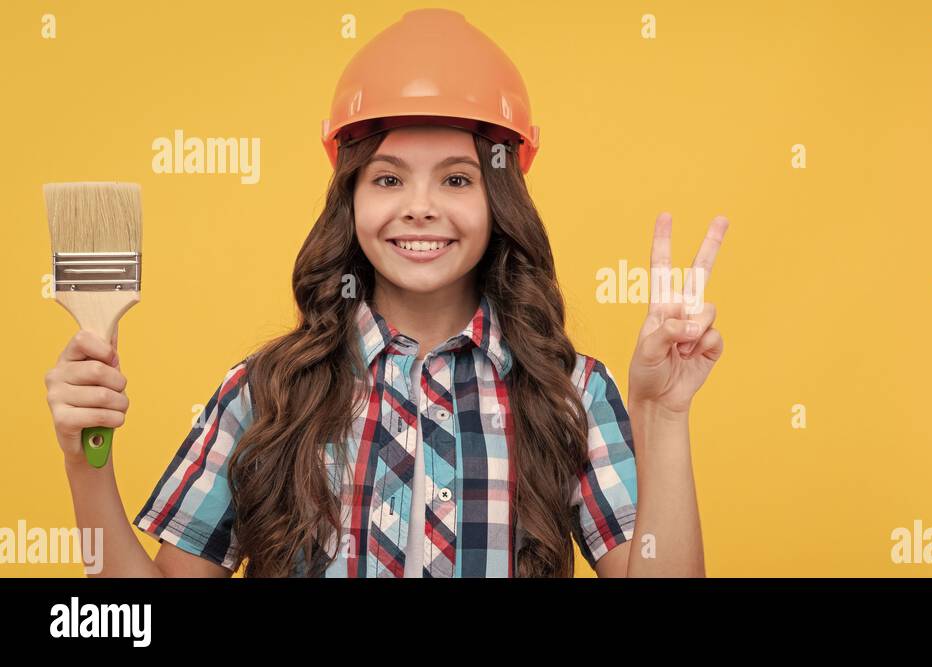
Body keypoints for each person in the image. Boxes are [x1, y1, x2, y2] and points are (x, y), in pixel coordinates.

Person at [45, 8, 727, 577]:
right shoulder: (266, 391)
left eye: (457, 180)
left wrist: (663, 415)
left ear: (500, 201)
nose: (420, 207)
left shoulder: (569, 392)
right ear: (352, 197)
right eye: (389, 178)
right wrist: (84, 461)